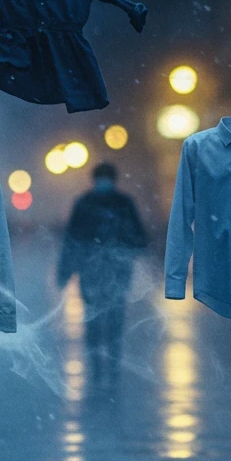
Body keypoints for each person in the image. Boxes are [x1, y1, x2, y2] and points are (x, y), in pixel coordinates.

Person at [57, 162, 148, 384]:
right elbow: (72, 239)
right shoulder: (111, 203)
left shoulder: (106, 203)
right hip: (102, 272)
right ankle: (102, 366)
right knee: (100, 320)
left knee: (106, 320)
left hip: (107, 272)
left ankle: (105, 366)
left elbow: (72, 240)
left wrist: (66, 270)